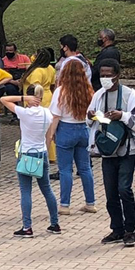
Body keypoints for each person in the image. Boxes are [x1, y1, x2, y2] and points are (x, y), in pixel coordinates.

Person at [88, 59, 135, 247]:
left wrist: (122, 116)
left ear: (118, 75)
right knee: (110, 191)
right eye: (102, 75)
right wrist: (92, 117)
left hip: (127, 149)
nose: (105, 78)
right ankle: (117, 228)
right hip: (107, 150)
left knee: (124, 188)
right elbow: (90, 122)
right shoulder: (98, 95)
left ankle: (131, 228)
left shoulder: (131, 96)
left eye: (109, 75)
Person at [1, 85, 61, 237]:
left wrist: (22, 98)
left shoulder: (25, 113)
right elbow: (48, 137)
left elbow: (3, 99)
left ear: (29, 97)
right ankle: (55, 223)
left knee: (25, 191)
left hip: (27, 154)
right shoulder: (47, 113)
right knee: (47, 189)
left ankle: (27, 226)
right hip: (42, 153)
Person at [47, 61, 96, 215]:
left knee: (65, 169)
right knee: (85, 168)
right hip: (83, 129)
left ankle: (65, 205)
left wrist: (49, 136)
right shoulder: (88, 91)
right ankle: (90, 202)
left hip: (66, 129)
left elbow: (55, 116)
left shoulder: (61, 91)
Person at [22, 48, 59, 175]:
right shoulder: (50, 68)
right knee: (48, 126)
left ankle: (45, 153)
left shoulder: (37, 71)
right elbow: (53, 83)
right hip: (48, 95)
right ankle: (52, 154)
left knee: (39, 127)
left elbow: (35, 88)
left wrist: (30, 102)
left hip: (38, 98)